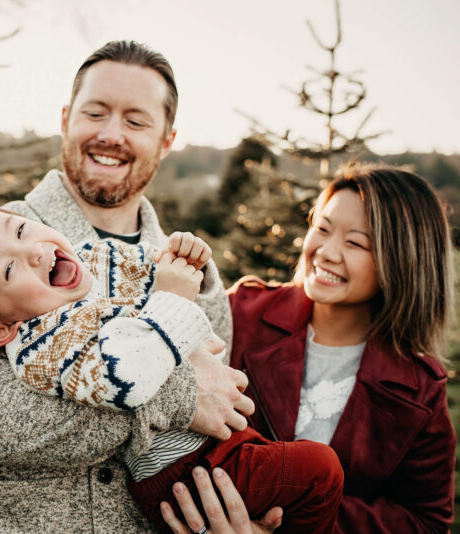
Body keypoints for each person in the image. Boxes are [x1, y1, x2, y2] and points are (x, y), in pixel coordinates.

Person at [0, 40, 261, 532]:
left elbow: (214, 414)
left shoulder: (190, 270)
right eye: (95, 113)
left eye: (136, 121)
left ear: (166, 140)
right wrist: (176, 398)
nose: (111, 135)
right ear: (65, 118)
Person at [0, 200, 344, 533]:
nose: (33, 252)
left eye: (21, 230)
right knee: (320, 471)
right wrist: (170, 301)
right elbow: (126, 375)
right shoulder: (41, 344)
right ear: (0, 329)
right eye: (9, 270)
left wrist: (181, 261)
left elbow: (159, 281)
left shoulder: (87, 263)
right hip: (181, 470)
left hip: (211, 451)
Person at [165, 165, 456, 534]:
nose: (327, 252)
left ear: (402, 260)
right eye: (322, 228)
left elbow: (426, 521)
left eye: (356, 242)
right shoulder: (242, 312)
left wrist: (294, 521)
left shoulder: (420, 388)